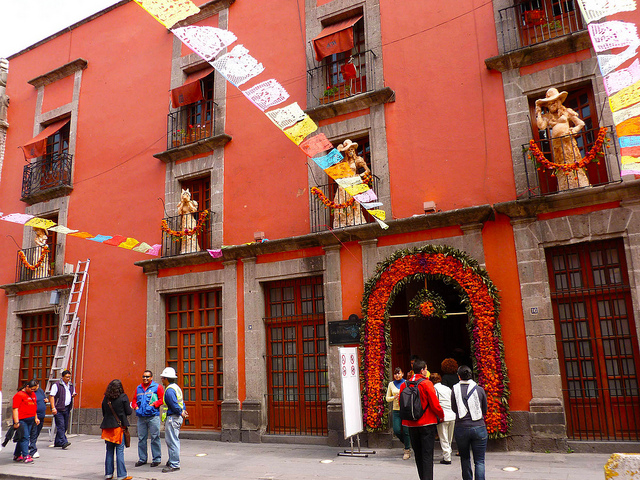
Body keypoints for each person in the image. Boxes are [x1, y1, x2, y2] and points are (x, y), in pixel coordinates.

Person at [535, 87, 590, 191]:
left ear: (558, 101)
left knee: (573, 161)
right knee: (561, 165)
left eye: (553, 102)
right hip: (557, 147)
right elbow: (541, 126)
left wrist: (571, 132)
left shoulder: (567, 112)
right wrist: (538, 113)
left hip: (568, 143)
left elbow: (581, 123)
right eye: (549, 103)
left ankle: (580, 183)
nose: (551, 105)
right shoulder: (547, 116)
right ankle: (564, 186)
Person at [399, 359, 444, 480]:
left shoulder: (404, 384)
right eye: (426, 369)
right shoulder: (426, 383)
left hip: (411, 424)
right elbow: (435, 404)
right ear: (423, 370)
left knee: (418, 455)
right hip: (426, 423)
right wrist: (441, 415)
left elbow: (401, 403)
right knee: (427, 455)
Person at [451, 365, 488, 480]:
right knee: (480, 461)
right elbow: (484, 410)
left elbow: (454, 408)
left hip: (461, 427)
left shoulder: (454, 389)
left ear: (459, 376)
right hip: (479, 427)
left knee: (465, 458)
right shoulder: (479, 389)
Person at [333, 139, 371, 228]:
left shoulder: (358, 160)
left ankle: (354, 220)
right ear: (346, 152)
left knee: (354, 202)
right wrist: (338, 151)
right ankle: (343, 222)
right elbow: (335, 165)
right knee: (342, 201)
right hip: (344, 184)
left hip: (353, 183)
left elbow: (367, 171)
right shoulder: (343, 162)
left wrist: (358, 176)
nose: (351, 151)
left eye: (352, 149)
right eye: (348, 149)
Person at [100, 379, 132, 480]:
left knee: (109, 450)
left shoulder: (106, 398)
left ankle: (108, 474)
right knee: (120, 451)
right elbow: (129, 411)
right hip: (119, 427)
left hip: (107, 427)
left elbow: (104, 412)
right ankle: (122, 475)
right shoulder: (123, 397)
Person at [132, 370, 164, 468]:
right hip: (141, 417)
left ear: (151, 378)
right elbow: (134, 400)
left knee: (155, 437)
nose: (145, 378)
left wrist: (154, 404)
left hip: (153, 416)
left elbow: (162, 399)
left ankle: (157, 459)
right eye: (144, 376)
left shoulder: (157, 387)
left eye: (147, 377)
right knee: (141, 438)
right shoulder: (139, 388)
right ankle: (142, 459)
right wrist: (136, 407)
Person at [160, 367, 189, 473]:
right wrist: (183, 411)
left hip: (173, 418)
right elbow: (181, 402)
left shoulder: (169, 391)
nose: (162, 380)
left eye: (162, 378)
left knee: (172, 441)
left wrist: (180, 411)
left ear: (166, 379)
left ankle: (174, 464)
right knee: (172, 440)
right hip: (176, 417)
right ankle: (172, 460)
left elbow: (174, 405)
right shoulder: (176, 387)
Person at [385, 367, 412, 460]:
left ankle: (407, 450)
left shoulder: (406, 383)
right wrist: (394, 397)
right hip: (396, 410)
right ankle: (406, 443)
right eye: (395, 374)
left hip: (405, 410)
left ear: (402, 374)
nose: (397, 375)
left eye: (399, 373)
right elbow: (387, 398)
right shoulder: (391, 384)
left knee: (406, 431)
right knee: (396, 430)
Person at [430, 373, 455, 465]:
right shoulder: (447, 388)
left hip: (443, 415)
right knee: (449, 437)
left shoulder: (434, 389)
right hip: (452, 415)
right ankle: (448, 453)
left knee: (443, 437)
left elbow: (434, 403)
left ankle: (447, 457)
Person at [12, 380, 40, 463]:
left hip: (31, 419)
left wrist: (36, 418)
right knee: (25, 437)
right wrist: (16, 422)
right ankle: (25, 455)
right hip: (22, 420)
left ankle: (17, 455)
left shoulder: (33, 394)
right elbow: (15, 409)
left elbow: (34, 406)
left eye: (35, 389)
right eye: (32, 389)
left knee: (22, 437)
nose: (33, 391)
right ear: (27, 387)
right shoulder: (19, 395)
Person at [49, 369, 76, 449]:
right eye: (66, 377)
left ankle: (58, 442)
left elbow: (71, 394)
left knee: (65, 425)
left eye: (69, 377)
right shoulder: (57, 385)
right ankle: (64, 442)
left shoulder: (70, 385)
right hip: (58, 408)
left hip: (67, 407)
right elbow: (52, 396)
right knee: (60, 425)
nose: (68, 379)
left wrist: (73, 395)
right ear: (62, 377)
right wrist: (53, 407)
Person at [29, 380, 47, 459]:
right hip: (34, 416)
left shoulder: (40, 391)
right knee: (33, 433)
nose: (37, 387)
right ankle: (33, 449)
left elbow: (44, 398)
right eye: (36, 386)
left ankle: (31, 446)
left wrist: (46, 400)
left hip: (41, 415)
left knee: (37, 433)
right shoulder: (31, 392)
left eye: (38, 385)